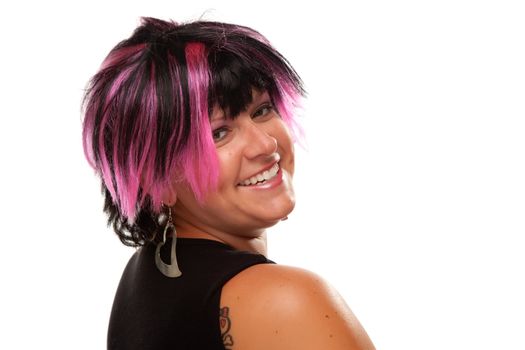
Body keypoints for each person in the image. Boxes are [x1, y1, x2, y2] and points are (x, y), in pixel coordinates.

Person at [82, 16, 375, 350]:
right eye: (219, 133)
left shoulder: (146, 273)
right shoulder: (285, 302)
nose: (266, 145)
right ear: (154, 179)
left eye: (262, 110)